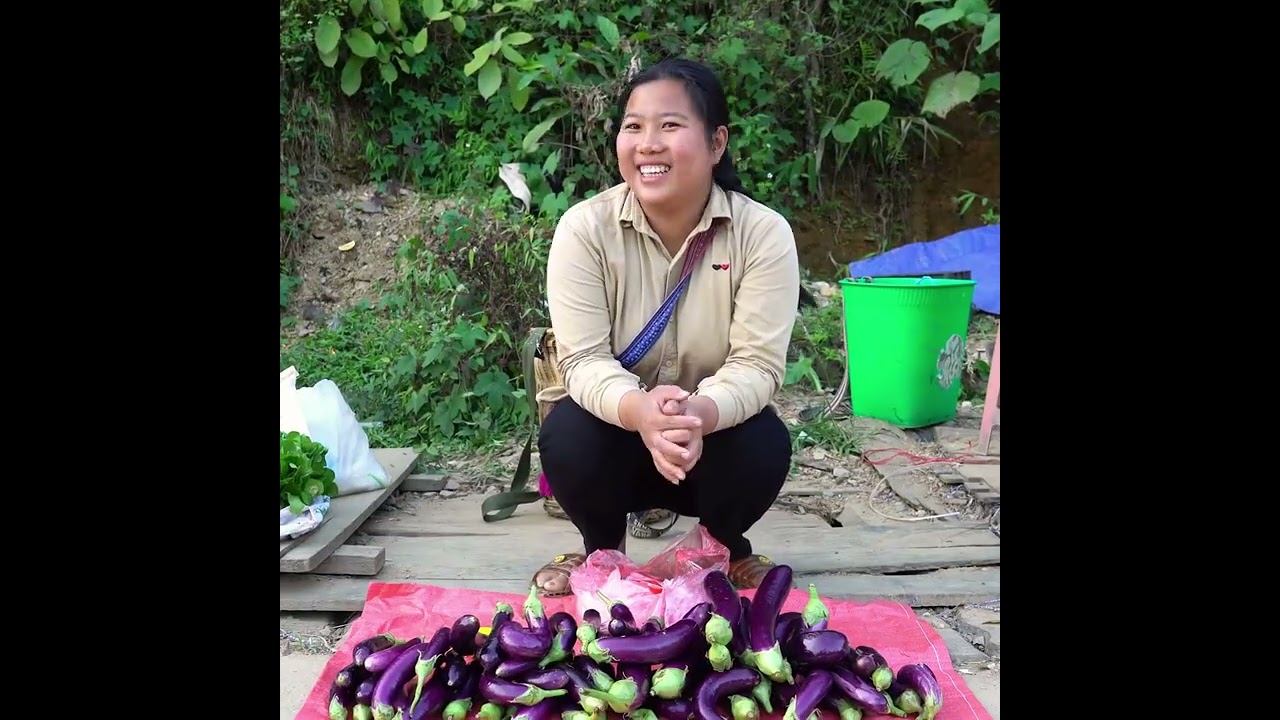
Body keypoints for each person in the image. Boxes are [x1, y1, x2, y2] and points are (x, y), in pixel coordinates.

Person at [530, 57, 800, 597]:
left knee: (763, 443)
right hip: (618, 436)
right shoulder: (584, 230)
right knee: (568, 435)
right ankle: (601, 551)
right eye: (633, 126)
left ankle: (720, 548)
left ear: (717, 143)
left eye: (669, 125)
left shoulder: (763, 235)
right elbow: (582, 361)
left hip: (709, 439)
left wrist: (696, 413)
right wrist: (640, 411)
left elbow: (757, 366)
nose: (647, 143)